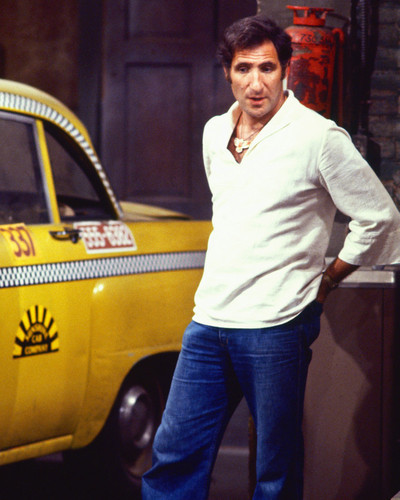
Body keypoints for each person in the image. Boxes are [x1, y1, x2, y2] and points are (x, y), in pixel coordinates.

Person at [142, 15, 400, 500]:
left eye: (267, 68)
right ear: (227, 72)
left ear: (286, 70)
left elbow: (380, 217)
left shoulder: (318, 137)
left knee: (274, 470)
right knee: (174, 457)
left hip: (277, 324)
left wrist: (328, 280)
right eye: (244, 69)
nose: (255, 83)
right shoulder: (214, 132)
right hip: (210, 319)